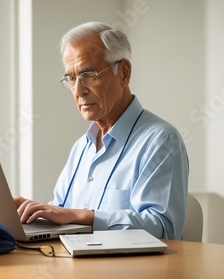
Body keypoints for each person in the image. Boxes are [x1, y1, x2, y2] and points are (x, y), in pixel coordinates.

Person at [14, 21, 189, 240]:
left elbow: (163, 229)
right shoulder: (81, 147)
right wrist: (29, 213)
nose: (78, 90)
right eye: (71, 78)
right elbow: (62, 215)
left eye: (89, 75)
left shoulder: (161, 141)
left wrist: (82, 216)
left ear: (124, 73)